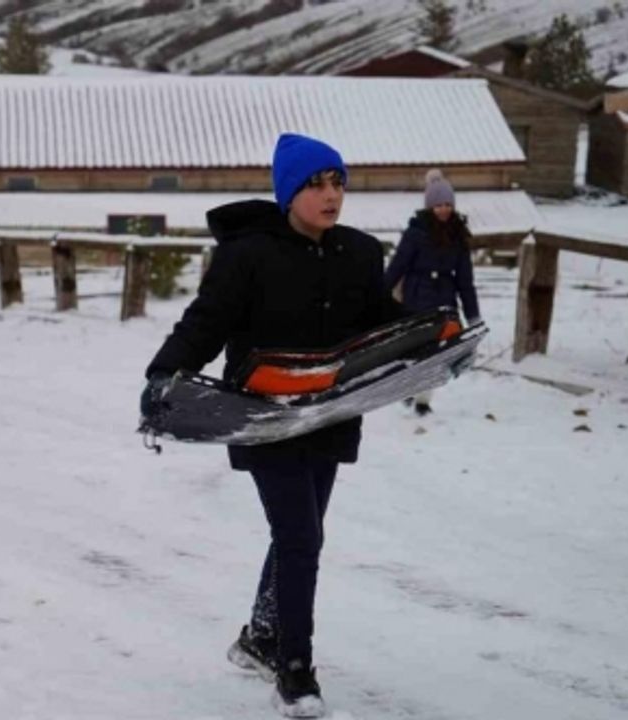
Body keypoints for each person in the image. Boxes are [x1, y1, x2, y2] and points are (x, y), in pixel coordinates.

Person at [141, 134, 405, 718]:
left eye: (338, 182)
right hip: (263, 417)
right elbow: (206, 323)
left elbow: (380, 322)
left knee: (298, 534)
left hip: (329, 413)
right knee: (301, 538)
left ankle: (261, 635)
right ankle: (294, 670)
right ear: (289, 192)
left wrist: (433, 331)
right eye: (316, 184)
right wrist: (165, 373)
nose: (331, 195)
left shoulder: (358, 253)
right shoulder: (248, 255)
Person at [384, 169, 482, 417]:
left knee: (439, 354)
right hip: (416, 300)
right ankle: (408, 389)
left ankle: (423, 401)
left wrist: (473, 316)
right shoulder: (416, 233)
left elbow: (465, 281)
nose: (444, 209)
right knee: (416, 351)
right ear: (430, 206)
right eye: (438, 204)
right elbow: (398, 266)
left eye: (448, 204)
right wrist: (377, 295)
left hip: (445, 300)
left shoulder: (458, 235)